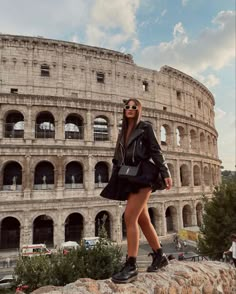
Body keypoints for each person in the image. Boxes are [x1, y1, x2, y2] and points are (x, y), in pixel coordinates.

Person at [100, 98, 172, 283]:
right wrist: (116, 175)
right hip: (129, 176)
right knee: (143, 219)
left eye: (134, 107)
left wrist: (165, 173)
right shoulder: (123, 130)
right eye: (127, 107)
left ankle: (131, 265)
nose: (130, 109)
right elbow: (118, 155)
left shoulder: (145, 127)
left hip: (144, 176)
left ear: (139, 110)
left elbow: (156, 151)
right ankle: (159, 256)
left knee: (129, 217)